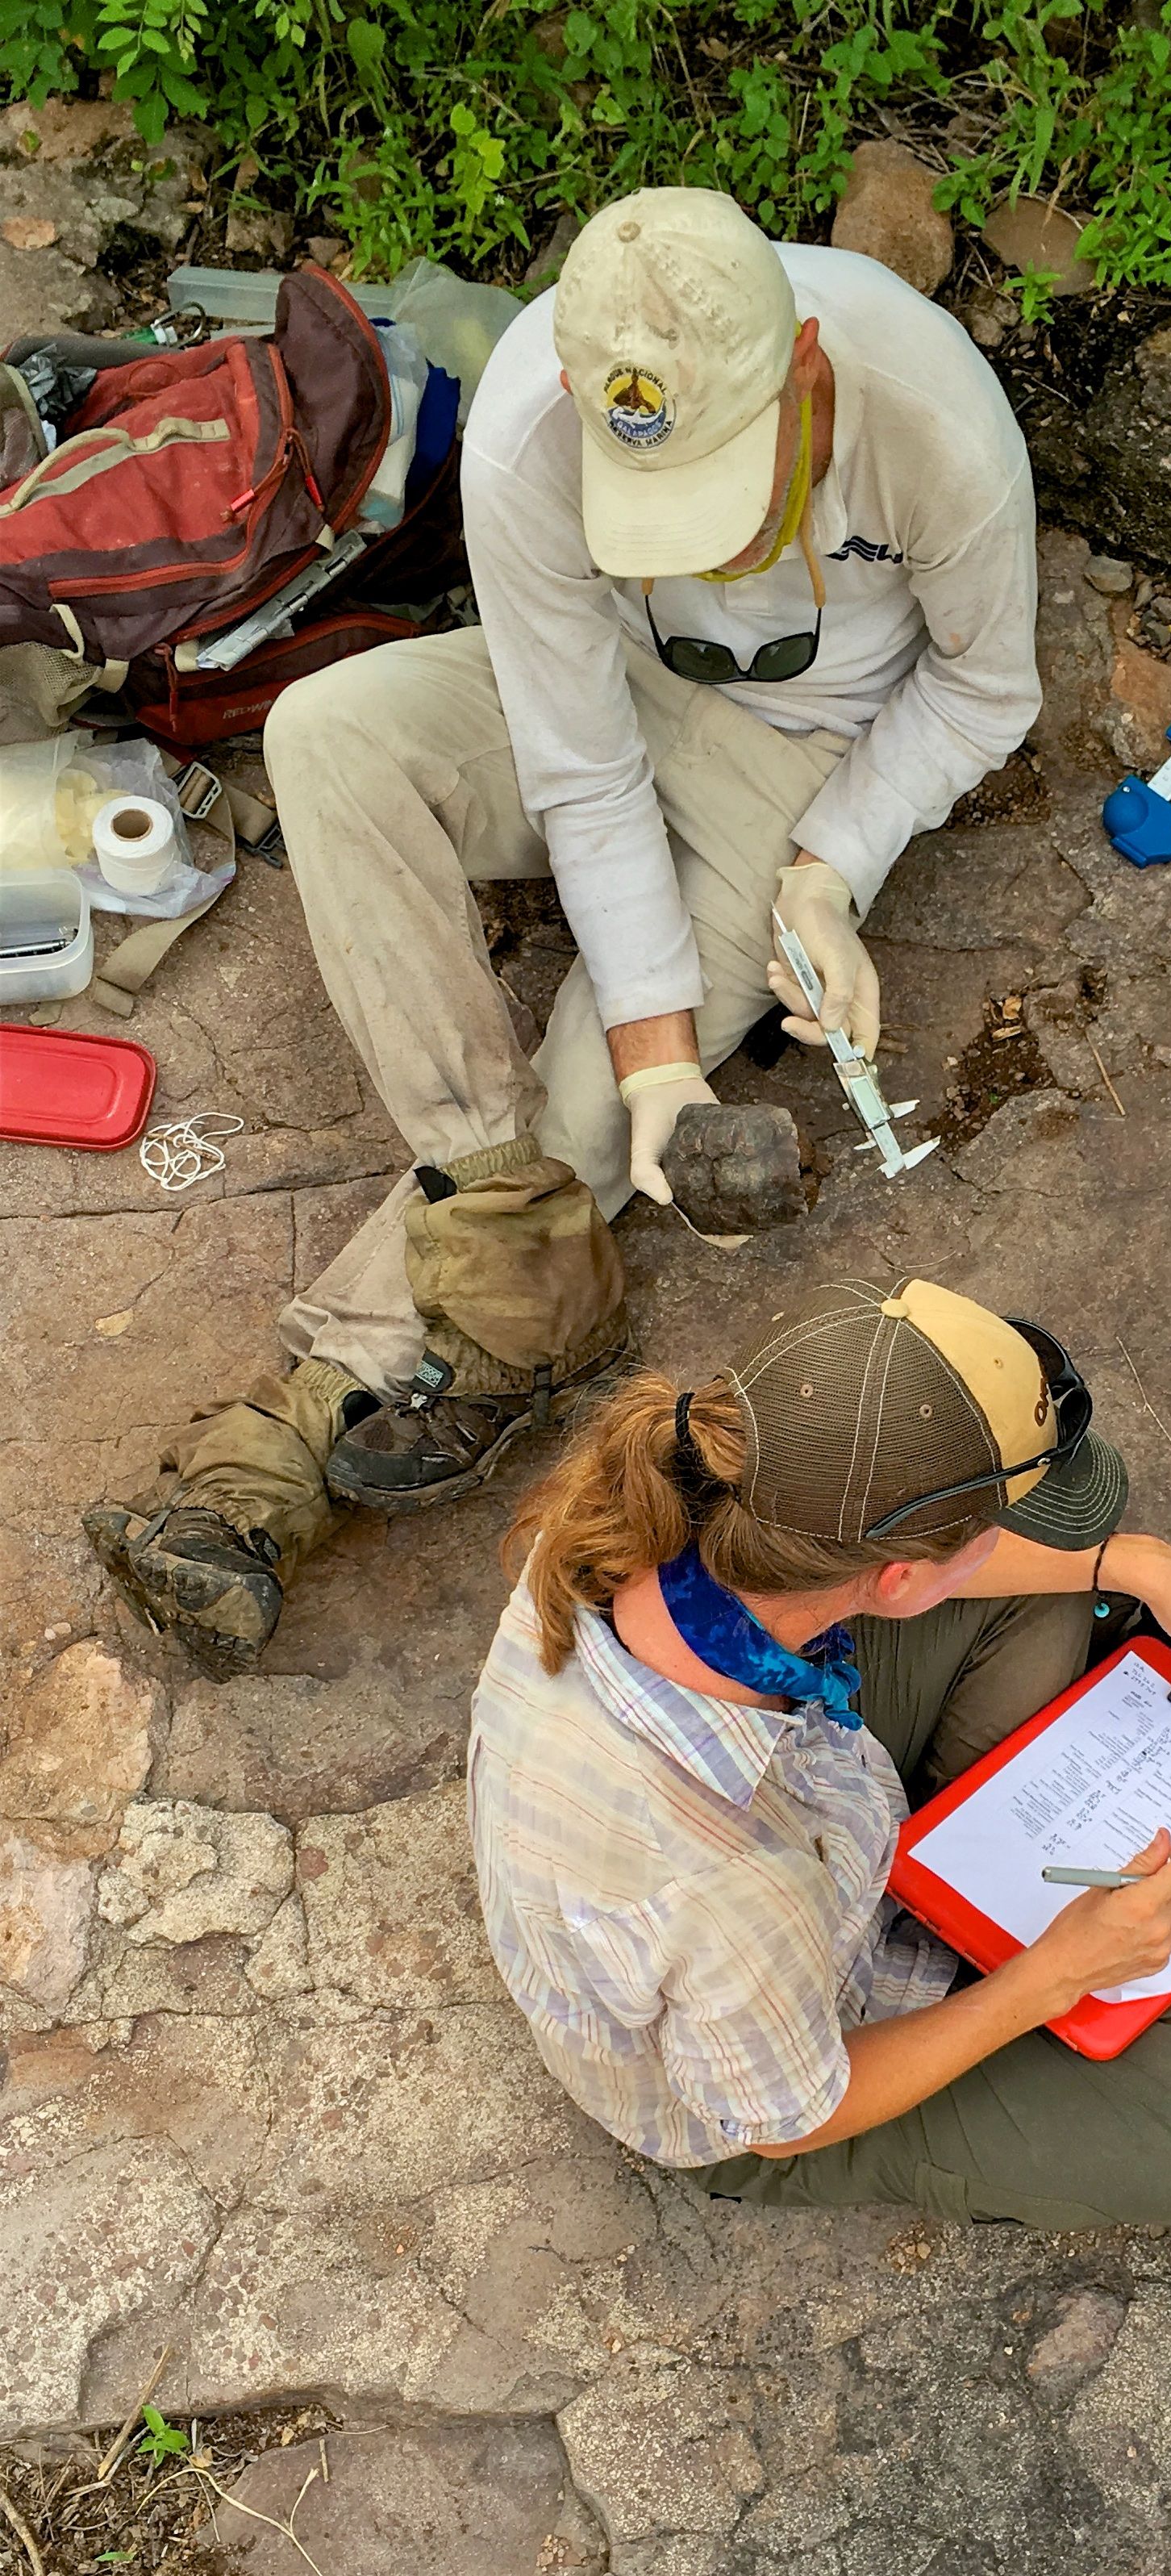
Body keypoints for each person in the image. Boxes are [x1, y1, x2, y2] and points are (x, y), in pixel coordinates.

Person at [84, 186, 1041, 1679]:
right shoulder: (542, 409)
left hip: (795, 757)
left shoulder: (930, 415)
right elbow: (582, 765)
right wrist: (669, 1058)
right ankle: (493, 1195)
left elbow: (987, 690)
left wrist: (830, 868)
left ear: (798, 370)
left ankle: (280, 1449)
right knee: (333, 729)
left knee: (591, 1107)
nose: (710, 559)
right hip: (597, 706)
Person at [469, 1275, 1171, 2228]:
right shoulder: (730, 1888)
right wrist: (1052, 1975)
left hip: (788, 1817)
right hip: (768, 2084)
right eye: (992, 1531)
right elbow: (787, 2120)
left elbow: (971, 1567)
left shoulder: (646, 1504)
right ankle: (986, 1909)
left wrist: (1131, 1561)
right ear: (898, 1578)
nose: (1009, 1542)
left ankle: (972, 1866)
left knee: (1053, 1590)